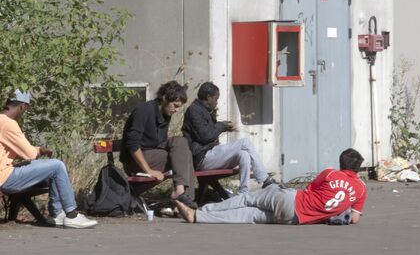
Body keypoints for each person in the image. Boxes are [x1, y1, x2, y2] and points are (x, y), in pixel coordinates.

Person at [174, 148, 366, 225]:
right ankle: (198, 217)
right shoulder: (361, 189)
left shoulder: (331, 173)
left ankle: (202, 209)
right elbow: (355, 219)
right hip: (295, 219)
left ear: (342, 164)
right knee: (248, 215)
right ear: (357, 169)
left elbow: (309, 190)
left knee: (247, 198)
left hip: (291, 200)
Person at [0, 90, 97, 228]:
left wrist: (37, 151)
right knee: (57, 166)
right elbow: (29, 154)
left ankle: (57, 214)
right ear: (23, 106)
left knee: (52, 171)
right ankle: (71, 215)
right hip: (4, 178)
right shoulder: (8, 124)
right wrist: (39, 150)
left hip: (4, 173)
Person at [182, 82, 277, 193]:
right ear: (208, 98)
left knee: (244, 155)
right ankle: (264, 179)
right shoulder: (194, 110)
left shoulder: (204, 111)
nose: (217, 103)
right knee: (245, 142)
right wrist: (221, 126)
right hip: (202, 158)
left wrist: (223, 126)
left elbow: (209, 131)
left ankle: (243, 193)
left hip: (210, 155)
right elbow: (205, 136)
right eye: (216, 99)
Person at [120, 81, 197, 207]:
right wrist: (149, 171)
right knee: (183, 156)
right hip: (135, 162)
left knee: (181, 143)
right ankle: (184, 202)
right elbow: (133, 145)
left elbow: (159, 143)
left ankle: (181, 193)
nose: (176, 110)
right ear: (165, 98)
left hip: (153, 155)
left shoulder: (166, 112)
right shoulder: (143, 110)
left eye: (179, 107)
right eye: (175, 105)